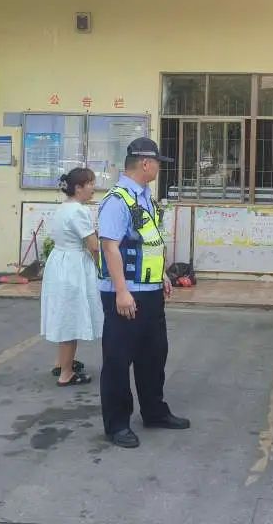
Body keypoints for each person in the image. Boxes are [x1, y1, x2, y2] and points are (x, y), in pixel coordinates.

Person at [98, 138, 190, 448]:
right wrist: (122, 291)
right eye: (158, 163)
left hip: (150, 292)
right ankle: (117, 425)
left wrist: (161, 275)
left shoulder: (144, 197)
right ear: (146, 164)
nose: (160, 168)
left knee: (154, 355)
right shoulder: (117, 200)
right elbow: (110, 247)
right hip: (125, 294)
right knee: (118, 360)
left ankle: (154, 411)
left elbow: (148, 243)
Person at [40, 167, 104, 386]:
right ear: (78, 188)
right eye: (91, 184)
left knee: (64, 312)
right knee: (72, 316)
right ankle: (66, 373)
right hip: (73, 266)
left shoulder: (63, 208)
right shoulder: (79, 211)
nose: (93, 189)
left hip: (59, 262)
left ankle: (62, 362)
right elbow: (93, 246)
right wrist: (103, 269)